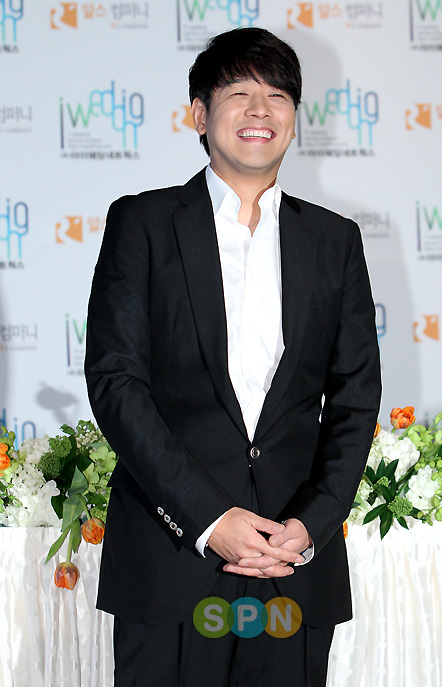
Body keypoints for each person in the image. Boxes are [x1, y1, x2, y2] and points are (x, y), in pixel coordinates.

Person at [85, 27, 381, 687]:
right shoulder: (143, 224)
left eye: (277, 96)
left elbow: (356, 398)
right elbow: (115, 382)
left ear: (294, 118)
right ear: (199, 114)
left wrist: (313, 523)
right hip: (172, 558)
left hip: (289, 565)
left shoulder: (334, 240)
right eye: (239, 93)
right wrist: (208, 518)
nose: (260, 110)